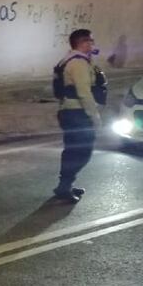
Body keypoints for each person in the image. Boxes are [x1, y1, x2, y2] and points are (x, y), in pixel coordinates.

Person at [51, 29, 102, 203]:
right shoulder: (78, 63)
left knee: (72, 150)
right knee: (82, 151)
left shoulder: (69, 59)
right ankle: (64, 186)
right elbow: (84, 93)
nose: (93, 45)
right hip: (77, 113)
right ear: (83, 43)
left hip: (69, 112)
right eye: (90, 41)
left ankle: (65, 184)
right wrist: (95, 117)